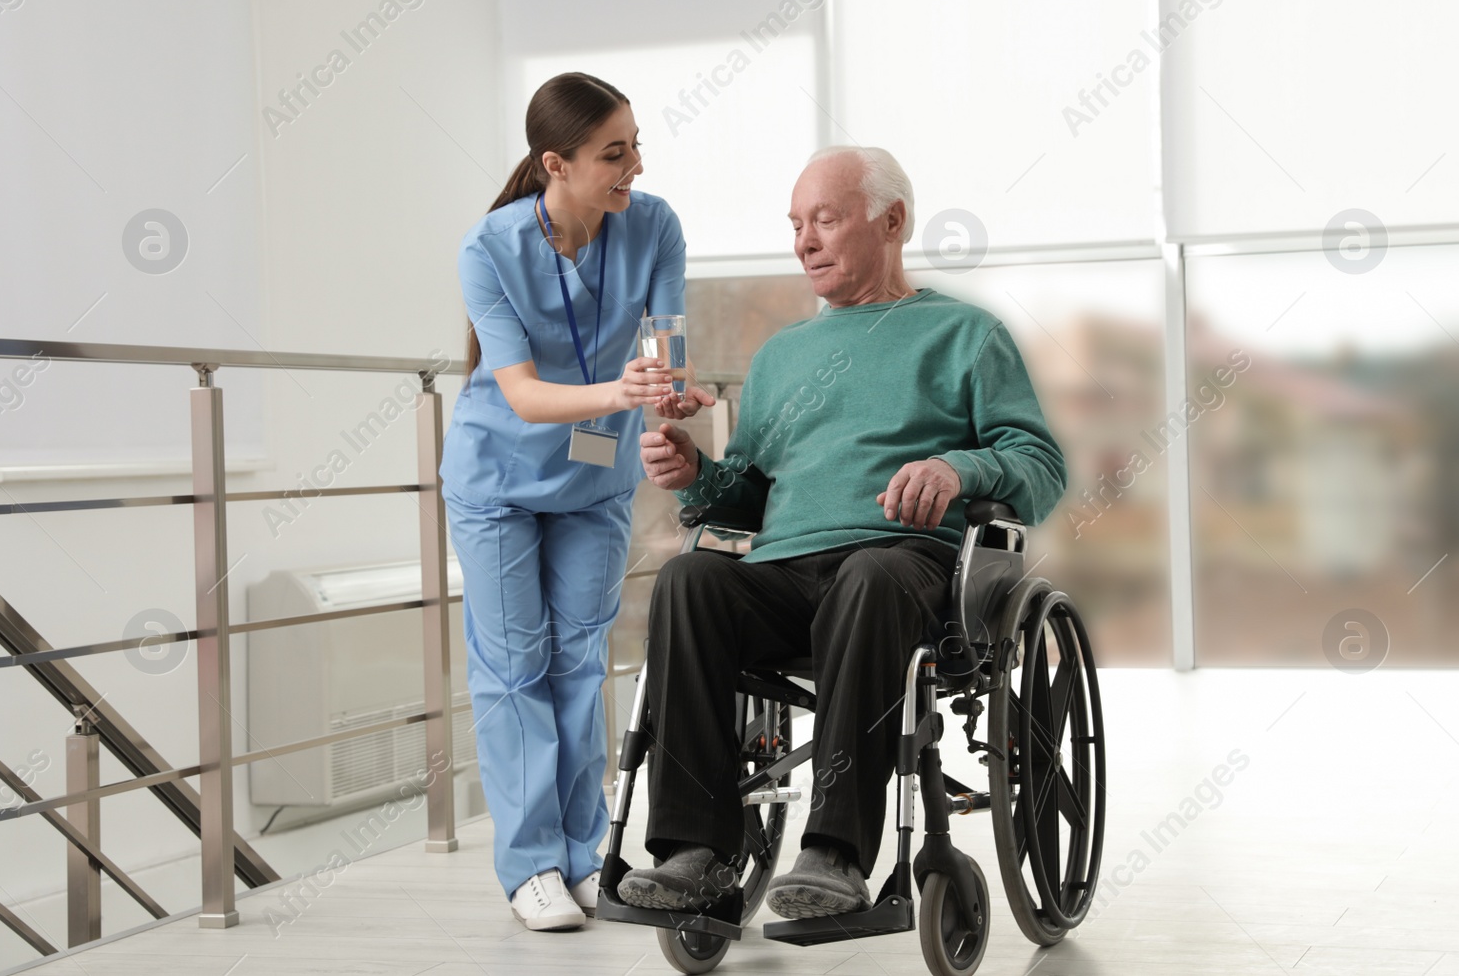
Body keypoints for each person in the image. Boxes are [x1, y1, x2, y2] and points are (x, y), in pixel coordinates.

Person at [617, 145, 1067, 918]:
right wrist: (697, 471)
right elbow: (749, 494)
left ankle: (834, 852)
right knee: (691, 579)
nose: (805, 240)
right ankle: (694, 848)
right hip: (787, 574)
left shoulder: (965, 335)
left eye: (824, 218)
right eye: (796, 224)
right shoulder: (783, 354)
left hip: (907, 568)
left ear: (891, 221)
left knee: (871, 574)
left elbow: (1040, 464)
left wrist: (958, 469)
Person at [440, 72, 714, 931]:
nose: (634, 164)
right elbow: (519, 393)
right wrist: (623, 392)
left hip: (592, 476)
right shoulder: (488, 249)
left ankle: (583, 851)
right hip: (499, 480)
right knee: (515, 663)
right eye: (614, 152)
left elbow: (662, 346)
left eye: (635, 143)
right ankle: (530, 865)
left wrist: (673, 391)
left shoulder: (654, 224)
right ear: (555, 163)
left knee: (579, 659)